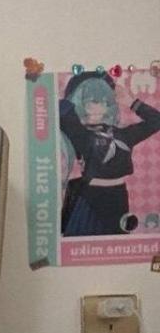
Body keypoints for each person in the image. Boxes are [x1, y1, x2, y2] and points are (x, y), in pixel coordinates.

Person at [59, 70, 160, 236]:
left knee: (117, 243)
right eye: (92, 101)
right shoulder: (80, 133)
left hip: (118, 197)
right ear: (82, 103)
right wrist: (86, 80)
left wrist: (131, 101)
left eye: (105, 101)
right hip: (91, 199)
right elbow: (61, 108)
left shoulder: (124, 134)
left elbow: (156, 121)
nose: (99, 106)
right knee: (87, 243)